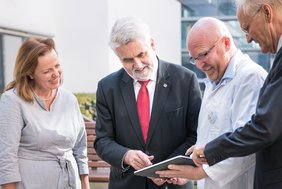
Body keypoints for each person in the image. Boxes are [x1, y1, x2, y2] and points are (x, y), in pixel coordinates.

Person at [156, 17, 267, 189]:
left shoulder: (250, 78)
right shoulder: (214, 78)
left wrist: (200, 172)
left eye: (204, 54)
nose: (199, 65)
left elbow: (248, 146)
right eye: (194, 59)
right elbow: (210, 137)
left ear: (227, 43)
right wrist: (187, 172)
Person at [94, 16, 202, 189]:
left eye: (141, 54)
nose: (137, 65)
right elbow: (102, 140)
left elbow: (196, 134)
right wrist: (127, 155)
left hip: (173, 184)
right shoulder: (107, 87)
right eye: (127, 60)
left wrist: (167, 169)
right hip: (126, 184)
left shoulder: (185, 79)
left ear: (152, 44)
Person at [190, 1, 282, 189]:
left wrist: (208, 154)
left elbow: (263, 129)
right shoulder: (212, 81)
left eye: (247, 28)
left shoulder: (251, 76)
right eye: (194, 59)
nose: (247, 39)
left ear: (267, 12)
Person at [0, 38, 90, 189]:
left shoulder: (69, 99)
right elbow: (7, 156)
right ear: (29, 73)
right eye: (47, 71)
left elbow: (80, 148)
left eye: (57, 66)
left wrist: (85, 184)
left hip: (70, 183)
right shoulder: (12, 101)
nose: (56, 74)